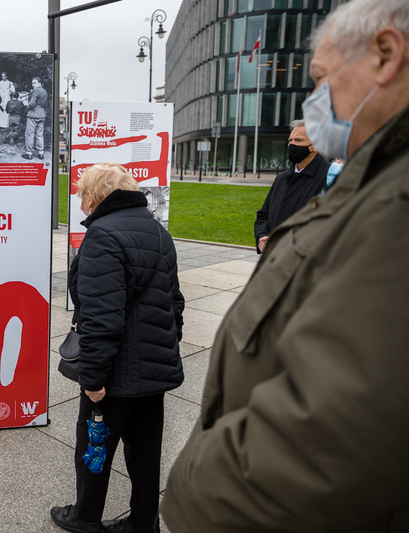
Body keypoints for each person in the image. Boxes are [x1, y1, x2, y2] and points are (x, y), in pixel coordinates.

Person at [161, 1, 409, 530]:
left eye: (321, 80)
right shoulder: (375, 181)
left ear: (386, 55)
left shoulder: (395, 204)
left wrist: (190, 492)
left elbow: (335, 431)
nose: (316, 102)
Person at [50, 163, 184, 533]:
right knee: (144, 453)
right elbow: (175, 302)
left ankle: (86, 517)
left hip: (117, 370)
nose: (80, 204)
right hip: (153, 367)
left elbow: (101, 317)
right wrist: (167, 348)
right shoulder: (157, 231)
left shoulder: (103, 235)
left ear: (94, 196)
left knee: (94, 445)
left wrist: (92, 377)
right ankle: (144, 523)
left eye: (81, 196)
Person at [254, 119, 330, 252]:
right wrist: (262, 236)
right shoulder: (281, 179)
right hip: (274, 259)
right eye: (290, 141)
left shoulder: (329, 178)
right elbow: (263, 216)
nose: (291, 145)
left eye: (298, 140)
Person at [23, 77, 48, 160]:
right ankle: (40, 153)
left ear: (39, 83)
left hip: (33, 114)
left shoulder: (36, 91)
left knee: (30, 134)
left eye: (34, 83)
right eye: (32, 83)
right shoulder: (45, 91)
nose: (32, 84)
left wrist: (26, 104)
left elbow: (32, 104)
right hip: (42, 114)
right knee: (39, 134)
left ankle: (29, 153)